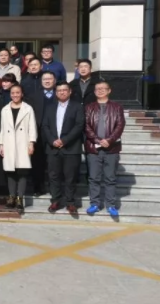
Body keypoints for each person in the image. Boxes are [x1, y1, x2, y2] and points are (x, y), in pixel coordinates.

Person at [42, 81, 85, 215]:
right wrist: (52, 140)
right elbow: (45, 126)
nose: (62, 92)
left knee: (70, 177)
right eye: (59, 90)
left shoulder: (77, 106)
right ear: (56, 93)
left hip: (71, 148)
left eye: (64, 90)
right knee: (53, 176)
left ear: (70, 91)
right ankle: (55, 200)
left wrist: (64, 140)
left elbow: (79, 125)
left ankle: (70, 202)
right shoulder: (50, 107)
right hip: (53, 148)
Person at [85, 81, 125, 217]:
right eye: (98, 89)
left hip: (111, 148)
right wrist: (97, 140)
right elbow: (86, 126)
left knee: (110, 178)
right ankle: (94, 204)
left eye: (103, 88)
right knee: (93, 178)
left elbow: (120, 125)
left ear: (109, 90)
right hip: (93, 148)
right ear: (94, 92)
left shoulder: (117, 107)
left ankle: (111, 205)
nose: (100, 90)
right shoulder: (89, 107)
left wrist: (109, 140)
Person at [0, 84, 37, 213]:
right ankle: (11, 197)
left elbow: (32, 127)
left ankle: (20, 198)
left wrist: (31, 143)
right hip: (8, 143)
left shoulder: (28, 109)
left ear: (22, 94)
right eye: (13, 93)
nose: (15, 95)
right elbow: (2, 128)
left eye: (17, 92)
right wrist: (1, 144)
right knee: (10, 172)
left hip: (22, 143)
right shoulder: (5, 109)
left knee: (22, 171)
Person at [28, 70, 57, 196]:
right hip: (38, 133)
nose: (47, 81)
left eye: (49, 79)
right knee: (38, 162)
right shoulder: (34, 96)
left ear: (54, 81)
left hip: (55, 133)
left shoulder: (60, 94)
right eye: (44, 79)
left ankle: (54, 188)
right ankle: (38, 187)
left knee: (54, 163)